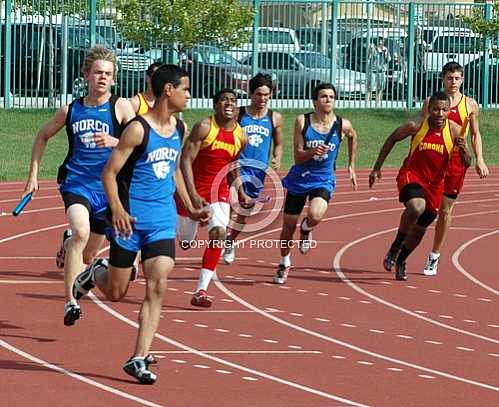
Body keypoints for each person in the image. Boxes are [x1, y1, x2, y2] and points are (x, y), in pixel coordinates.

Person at [72, 64, 207, 384]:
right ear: (168, 91)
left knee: (158, 284)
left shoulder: (178, 128)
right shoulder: (137, 129)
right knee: (117, 292)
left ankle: (138, 357)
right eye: (185, 89)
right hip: (130, 220)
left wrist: (189, 206)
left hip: (161, 220)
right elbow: (109, 173)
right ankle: (95, 273)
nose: (190, 95)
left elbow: (174, 168)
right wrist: (116, 209)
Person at [22, 45, 135, 326]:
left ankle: (69, 245)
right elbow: (42, 135)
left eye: (108, 74)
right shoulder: (70, 110)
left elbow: (141, 144)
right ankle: (70, 302)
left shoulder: (121, 107)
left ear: (114, 78)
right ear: (86, 74)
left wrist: (114, 142)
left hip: (109, 190)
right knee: (81, 231)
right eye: (97, 72)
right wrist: (32, 175)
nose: (102, 78)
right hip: (77, 184)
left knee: (88, 253)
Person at [369, 91, 471, 281]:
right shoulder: (416, 125)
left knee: (421, 228)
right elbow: (392, 138)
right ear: (429, 109)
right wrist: (377, 168)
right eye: (436, 109)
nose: (440, 114)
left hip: (435, 185)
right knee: (417, 207)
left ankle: (401, 260)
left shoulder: (455, 130)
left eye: (444, 110)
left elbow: (467, 162)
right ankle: (395, 247)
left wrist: (464, 148)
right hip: (412, 175)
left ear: (449, 111)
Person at [273, 83, 358, 285]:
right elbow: (297, 156)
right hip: (300, 178)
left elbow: (354, 136)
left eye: (331, 96)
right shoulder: (302, 121)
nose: (328, 100)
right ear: (314, 101)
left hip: (323, 178)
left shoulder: (341, 124)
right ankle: (284, 262)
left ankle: (306, 228)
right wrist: (313, 152)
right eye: (323, 96)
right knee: (287, 227)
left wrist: (351, 164)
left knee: (316, 215)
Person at [178, 88, 250, 307]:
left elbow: (233, 165)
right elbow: (185, 161)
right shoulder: (204, 128)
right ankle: (187, 237)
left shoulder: (241, 136)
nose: (229, 103)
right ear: (215, 105)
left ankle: (201, 290)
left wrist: (240, 191)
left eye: (233, 101)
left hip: (219, 192)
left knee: (219, 233)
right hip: (192, 191)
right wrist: (191, 195)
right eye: (224, 100)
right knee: (185, 239)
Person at [422, 62, 488, 276]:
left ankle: (434, 256)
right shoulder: (432, 103)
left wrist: (480, 159)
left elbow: (476, 134)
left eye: (457, 78)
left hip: (456, 164)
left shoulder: (470, 105)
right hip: (432, 161)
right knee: (422, 208)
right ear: (443, 78)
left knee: (445, 210)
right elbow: (422, 129)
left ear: (462, 80)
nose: (453, 82)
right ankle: (403, 245)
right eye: (449, 78)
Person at [222, 73, 283, 264]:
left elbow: (279, 143)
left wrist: (277, 158)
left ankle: (229, 242)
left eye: (266, 94)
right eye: (258, 94)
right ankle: (219, 239)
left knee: (244, 212)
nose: (262, 99)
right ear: (251, 94)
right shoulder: (239, 114)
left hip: (258, 172)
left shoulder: (275, 118)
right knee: (228, 207)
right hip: (236, 167)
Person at [366, 36, 391, 108]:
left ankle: (377, 104)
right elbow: (369, 57)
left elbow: (388, 60)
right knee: (370, 87)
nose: (380, 42)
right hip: (373, 70)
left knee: (380, 88)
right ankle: (367, 103)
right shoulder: (373, 48)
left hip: (381, 71)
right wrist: (370, 50)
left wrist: (385, 53)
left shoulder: (385, 49)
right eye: (379, 41)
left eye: (381, 41)